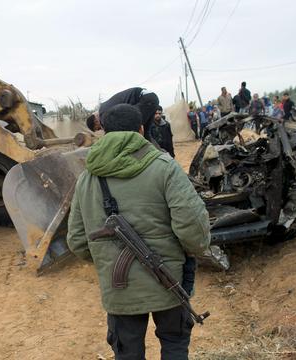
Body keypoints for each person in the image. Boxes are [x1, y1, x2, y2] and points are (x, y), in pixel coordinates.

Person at [67, 104, 210, 360]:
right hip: (168, 280)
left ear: (103, 131)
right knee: (175, 344)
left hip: (119, 290)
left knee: (127, 352)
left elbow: (77, 241)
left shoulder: (87, 178)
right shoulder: (165, 167)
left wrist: (105, 258)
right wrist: (193, 252)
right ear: (142, 129)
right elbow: (192, 227)